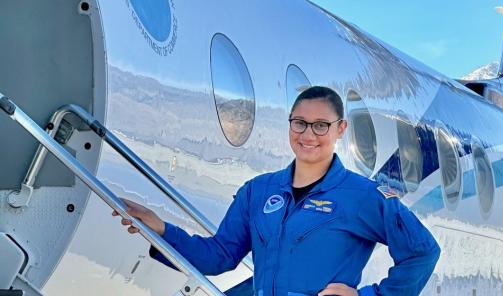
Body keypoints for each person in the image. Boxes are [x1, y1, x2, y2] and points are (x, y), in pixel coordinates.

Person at [115, 86, 441, 296]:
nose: (308, 134)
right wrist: (161, 231)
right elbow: (220, 256)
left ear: (340, 129)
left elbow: (422, 252)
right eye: (299, 123)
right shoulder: (258, 191)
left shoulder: (363, 195)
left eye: (321, 125)